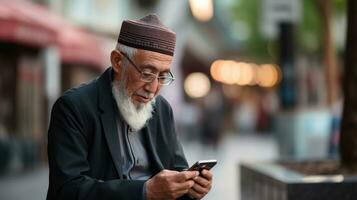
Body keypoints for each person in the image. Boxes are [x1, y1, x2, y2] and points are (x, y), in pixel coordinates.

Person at [46, 14, 213, 200]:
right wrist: (145, 191)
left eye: (163, 77)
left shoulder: (162, 109)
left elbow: (177, 168)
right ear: (118, 61)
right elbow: (67, 190)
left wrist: (191, 185)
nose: (153, 88)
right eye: (147, 73)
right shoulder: (74, 107)